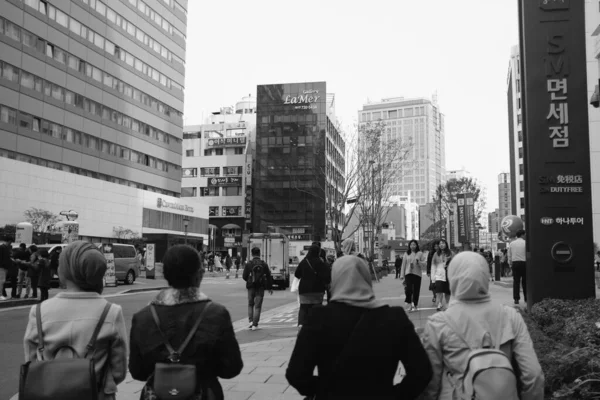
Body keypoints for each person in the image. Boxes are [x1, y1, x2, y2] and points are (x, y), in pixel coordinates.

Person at [286, 252, 433, 400]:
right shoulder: (394, 318)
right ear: (366, 279)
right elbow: (422, 372)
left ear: (334, 279)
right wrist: (395, 395)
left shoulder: (318, 317)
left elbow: (296, 374)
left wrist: (323, 389)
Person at [421, 251, 544, 400]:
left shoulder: (438, 323)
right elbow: (533, 374)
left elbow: (430, 384)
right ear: (485, 276)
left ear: (452, 278)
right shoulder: (510, 316)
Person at [129, 245, 243, 400]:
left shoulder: (143, 317)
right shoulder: (216, 314)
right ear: (199, 275)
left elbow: (137, 371)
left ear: (165, 274)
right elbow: (232, 368)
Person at [23, 241, 128, 400]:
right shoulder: (111, 312)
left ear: (65, 270)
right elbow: (119, 370)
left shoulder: (38, 311)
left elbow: (31, 362)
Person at [295, 245, 331, 327]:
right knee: (317, 307)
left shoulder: (304, 261)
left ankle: (301, 324)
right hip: (318, 289)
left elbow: (297, 274)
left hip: (304, 290)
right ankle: (316, 324)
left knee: (303, 307)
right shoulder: (320, 262)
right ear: (318, 252)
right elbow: (327, 276)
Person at [242, 247, 273, 331]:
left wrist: (249, 281)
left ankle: (251, 322)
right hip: (260, 287)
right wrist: (269, 287)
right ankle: (255, 325)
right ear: (259, 254)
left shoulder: (249, 264)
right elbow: (269, 276)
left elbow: (244, 276)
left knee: (250, 304)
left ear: (252, 254)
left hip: (251, 287)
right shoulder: (264, 264)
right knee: (258, 306)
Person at [400, 240, 426, 312]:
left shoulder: (420, 253)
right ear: (409, 246)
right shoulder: (406, 254)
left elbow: (424, 264)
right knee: (408, 289)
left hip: (417, 274)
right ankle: (409, 302)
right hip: (408, 273)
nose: (413, 246)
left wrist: (419, 262)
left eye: (414, 244)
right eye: (411, 244)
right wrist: (402, 275)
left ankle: (415, 304)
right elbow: (403, 265)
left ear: (416, 245)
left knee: (416, 290)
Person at [431, 239, 452, 311]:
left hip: (448, 275)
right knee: (439, 291)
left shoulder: (451, 253)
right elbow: (433, 266)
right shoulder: (436, 254)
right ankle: (439, 304)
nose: (441, 245)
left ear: (446, 244)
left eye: (443, 243)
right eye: (440, 244)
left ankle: (447, 304)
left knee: (447, 291)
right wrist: (433, 278)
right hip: (439, 275)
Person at [508, 230, 527, 305]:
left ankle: (516, 299)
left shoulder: (512, 243)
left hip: (515, 263)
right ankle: (526, 298)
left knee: (516, 281)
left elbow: (509, 254)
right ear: (522, 235)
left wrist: (510, 264)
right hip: (524, 263)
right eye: (524, 234)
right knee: (525, 281)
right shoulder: (525, 243)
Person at [0, 235, 14, 301]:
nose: (11, 243)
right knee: (1, 281)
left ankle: (1, 294)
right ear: (9, 241)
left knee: (2, 281)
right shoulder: (2, 247)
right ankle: (0, 295)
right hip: (2, 267)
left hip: (4, 267)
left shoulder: (5, 247)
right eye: (11, 242)